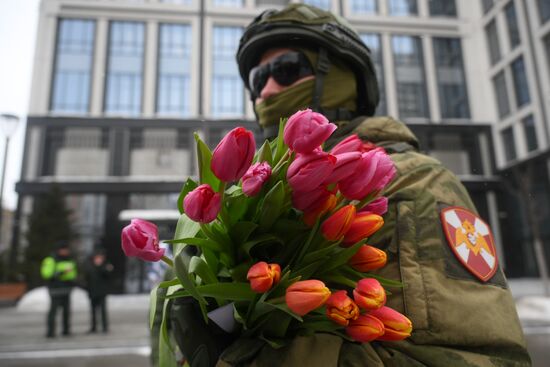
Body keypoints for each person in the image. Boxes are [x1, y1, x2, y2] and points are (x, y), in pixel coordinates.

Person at [170, 4, 531, 366]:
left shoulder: (414, 182)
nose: (266, 90)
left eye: (287, 69)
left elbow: (474, 356)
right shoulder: (254, 190)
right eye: (257, 79)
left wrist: (246, 358)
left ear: (341, 78)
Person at [41, 243, 77, 338]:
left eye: (66, 249)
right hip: (55, 290)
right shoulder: (50, 260)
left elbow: (73, 274)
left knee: (66, 311)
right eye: (63, 249)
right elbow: (46, 274)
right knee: (53, 311)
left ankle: (66, 330)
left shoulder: (70, 260)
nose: (65, 252)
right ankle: (50, 332)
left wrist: (72, 280)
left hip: (66, 289)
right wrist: (60, 273)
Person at [85, 248, 113, 333]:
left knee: (103, 310)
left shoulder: (105, 265)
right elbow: (87, 278)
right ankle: (93, 327)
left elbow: (108, 275)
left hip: (102, 291)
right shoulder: (89, 266)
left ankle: (104, 327)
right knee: (93, 311)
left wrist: (101, 266)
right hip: (92, 291)